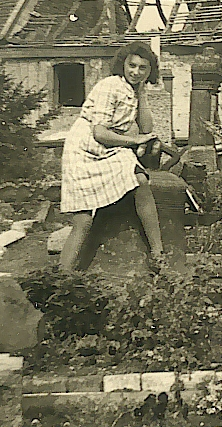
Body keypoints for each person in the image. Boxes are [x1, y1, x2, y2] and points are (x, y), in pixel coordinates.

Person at [59, 41, 167, 273]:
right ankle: (61, 278)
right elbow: (99, 132)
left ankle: (157, 253)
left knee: (140, 180)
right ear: (123, 65)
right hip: (84, 148)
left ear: (150, 72)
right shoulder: (110, 86)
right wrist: (134, 141)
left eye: (143, 69)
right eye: (132, 66)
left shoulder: (133, 90)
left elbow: (146, 128)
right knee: (83, 219)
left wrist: (143, 95)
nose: (136, 72)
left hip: (109, 148)